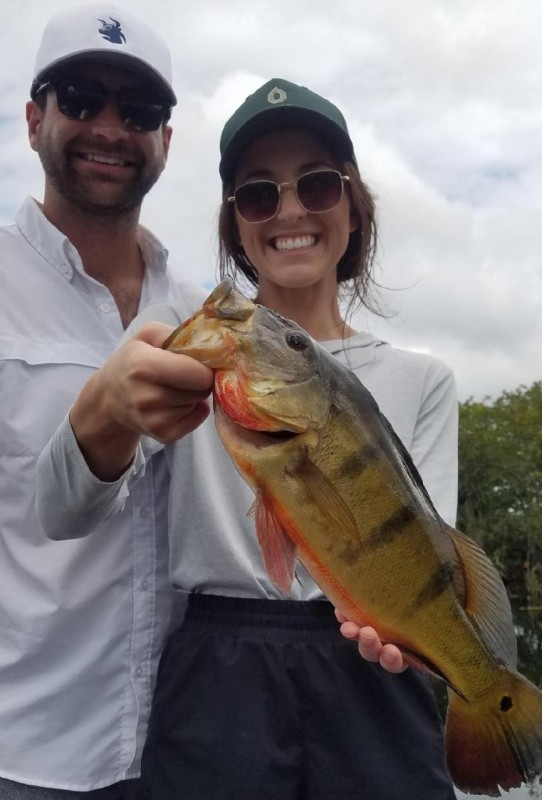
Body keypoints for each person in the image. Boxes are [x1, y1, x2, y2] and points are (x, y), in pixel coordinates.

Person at [37, 79, 459, 800]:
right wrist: (102, 413)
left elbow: (433, 552)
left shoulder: (425, 381)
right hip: (216, 674)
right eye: (259, 194)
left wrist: (417, 640)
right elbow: (59, 513)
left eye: (318, 185)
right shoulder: (185, 355)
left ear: (353, 210)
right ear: (235, 227)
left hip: (374, 672)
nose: (290, 209)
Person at [0, 4, 211, 799]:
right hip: (24, 752)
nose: (111, 127)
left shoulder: (200, 312)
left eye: (142, 110)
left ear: (165, 140)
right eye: (81, 98)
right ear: (33, 120)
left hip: (183, 746)